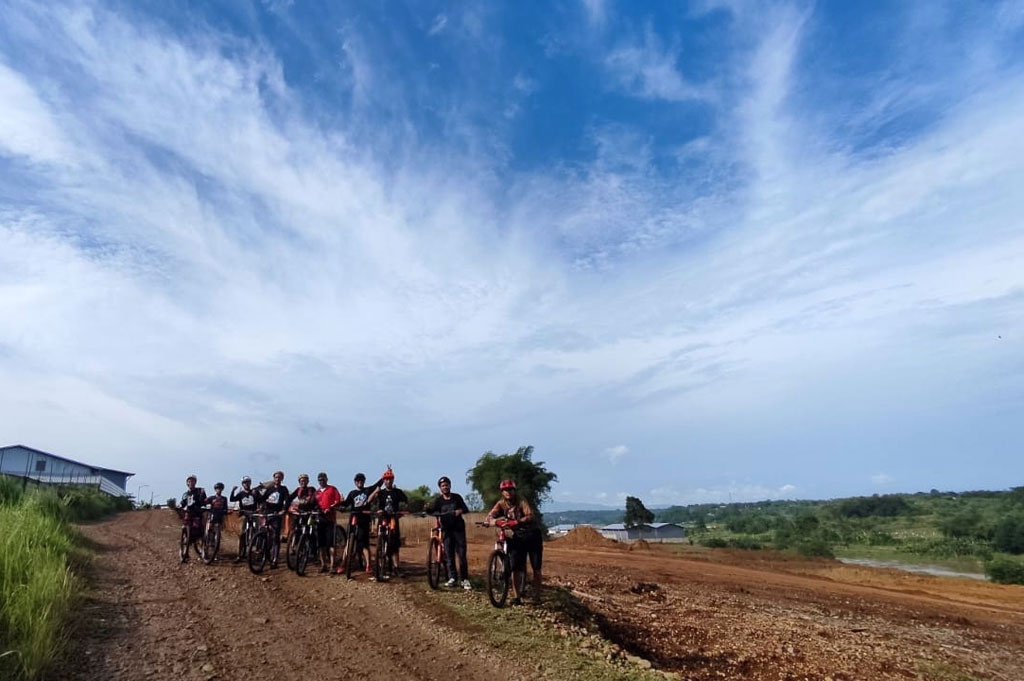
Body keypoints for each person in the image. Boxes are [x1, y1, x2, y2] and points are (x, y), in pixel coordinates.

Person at [484, 479, 542, 605]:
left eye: (510, 489)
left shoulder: (521, 501)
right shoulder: (501, 504)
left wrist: (517, 521)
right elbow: (490, 515)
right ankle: (516, 596)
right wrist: (490, 521)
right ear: (502, 492)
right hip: (517, 536)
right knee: (516, 567)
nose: (508, 492)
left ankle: (537, 596)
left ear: (514, 491)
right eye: (505, 490)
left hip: (532, 535)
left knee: (536, 567)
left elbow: (530, 515)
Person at [425, 476, 471, 590]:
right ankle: (452, 578)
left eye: (446, 485)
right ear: (440, 488)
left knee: (461, 555)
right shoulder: (438, 500)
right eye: (442, 486)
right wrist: (427, 509)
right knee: (449, 555)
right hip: (446, 530)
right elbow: (433, 510)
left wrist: (459, 511)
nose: (445, 487)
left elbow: (465, 509)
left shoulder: (457, 498)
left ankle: (464, 579)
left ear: (450, 485)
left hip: (458, 530)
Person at [369, 467, 407, 578]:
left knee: (395, 544)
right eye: (386, 479)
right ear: (383, 481)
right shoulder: (380, 493)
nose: (388, 481)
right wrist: (376, 494)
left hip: (393, 519)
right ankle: (381, 566)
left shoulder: (398, 492)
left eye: (390, 479)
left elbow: (405, 502)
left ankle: (396, 567)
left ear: (393, 480)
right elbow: (371, 502)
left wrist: (401, 511)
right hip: (383, 518)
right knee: (380, 543)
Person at [341, 472, 380, 578]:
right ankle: (343, 564)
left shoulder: (367, 490)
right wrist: (339, 503)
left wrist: (385, 476)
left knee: (363, 543)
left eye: (361, 480)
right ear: (355, 482)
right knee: (349, 541)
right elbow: (346, 504)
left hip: (364, 520)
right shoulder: (352, 493)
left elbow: (378, 484)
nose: (360, 482)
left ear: (364, 481)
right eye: (358, 480)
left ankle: (368, 565)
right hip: (353, 518)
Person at [256, 470, 289, 568]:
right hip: (267, 513)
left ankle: (274, 560)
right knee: (262, 533)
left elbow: (287, 501)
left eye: (279, 477)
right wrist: (256, 493)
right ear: (273, 478)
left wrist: (284, 510)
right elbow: (262, 498)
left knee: (275, 537)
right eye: (276, 477)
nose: (277, 479)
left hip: (276, 514)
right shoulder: (269, 488)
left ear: (282, 479)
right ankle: (261, 552)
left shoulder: (283, 489)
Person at [311, 472, 342, 573]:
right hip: (320, 520)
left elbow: (338, 500)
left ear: (326, 479)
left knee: (331, 545)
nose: (321, 481)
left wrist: (330, 507)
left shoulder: (332, 489)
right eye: (320, 480)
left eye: (323, 479)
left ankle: (332, 565)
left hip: (330, 520)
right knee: (321, 545)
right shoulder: (316, 492)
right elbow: (311, 503)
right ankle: (323, 564)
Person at [230, 476, 258, 561]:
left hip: (253, 514)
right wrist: (233, 490)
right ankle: (239, 554)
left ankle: (256, 551)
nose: (247, 484)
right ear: (242, 484)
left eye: (248, 482)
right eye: (245, 483)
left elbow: (261, 499)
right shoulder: (241, 494)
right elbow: (232, 499)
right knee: (242, 534)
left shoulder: (254, 492)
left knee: (256, 532)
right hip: (244, 514)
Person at [179, 475, 206, 560]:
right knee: (185, 526)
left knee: (200, 529)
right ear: (187, 483)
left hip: (197, 513)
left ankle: (203, 548)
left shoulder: (199, 491)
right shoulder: (185, 494)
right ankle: (184, 549)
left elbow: (203, 502)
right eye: (189, 481)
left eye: (193, 481)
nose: (191, 483)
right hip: (189, 513)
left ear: (195, 482)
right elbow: (182, 503)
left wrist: (202, 496)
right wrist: (180, 506)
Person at [205, 482, 229, 558]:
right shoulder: (211, 498)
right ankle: (205, 552)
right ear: (215, 489)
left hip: (219, 518)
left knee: (217, 537)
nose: (219, 490)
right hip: (211, 518)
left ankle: (216, 553)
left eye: (220, 488)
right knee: (208, 534)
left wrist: (227, 512)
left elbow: (226, 508)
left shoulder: (224, 499)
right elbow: (204, 502)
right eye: (217, 488)